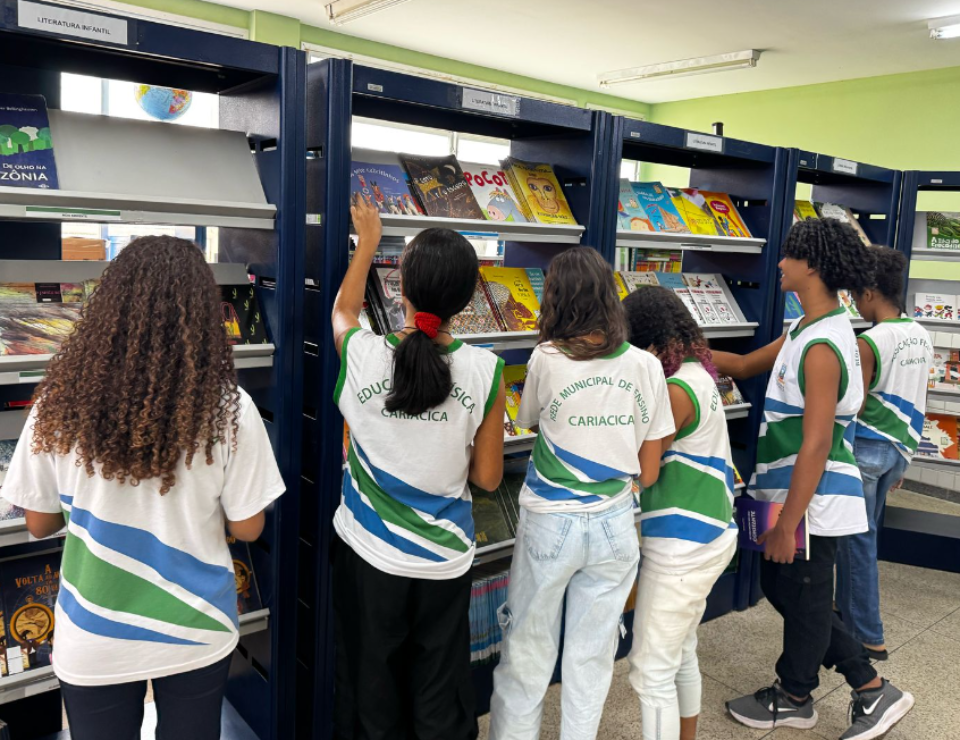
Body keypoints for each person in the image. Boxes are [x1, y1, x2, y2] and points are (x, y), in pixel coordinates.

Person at [2, 236, 286, 740]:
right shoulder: (230, 408)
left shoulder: (59, 406)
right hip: (196, 626)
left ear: (109, 308)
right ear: (201, 314)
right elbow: (247, 526)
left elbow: (41, 523)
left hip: (93, 632)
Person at [718, 219, 914, 740]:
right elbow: (739, 365)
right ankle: (847, 686)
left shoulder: (825, 345)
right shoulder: (805, 329)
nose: (779, 264)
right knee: (783, 588)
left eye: (788, 256)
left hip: (813, 499)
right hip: (783, 490)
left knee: (802, 592)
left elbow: (817, 443)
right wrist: (679, 350)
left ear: (812, 267)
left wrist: (788, 524)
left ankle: (823, 692)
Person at [331, 199, 506, 740]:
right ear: (469, 298)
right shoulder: (486, 370)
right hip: (444, 561)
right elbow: (488, 479)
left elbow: (342, 312)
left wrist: (366, 242)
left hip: (368, 554)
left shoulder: (364, 355)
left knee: (371, 684)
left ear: (399, 288)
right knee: (438, 690)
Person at [489, 247, 675, 740]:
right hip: (616, 522)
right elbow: (650, 465)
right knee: (591, 661)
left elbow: (527, 419)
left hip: (551, 519)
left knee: (527, 654)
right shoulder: (645, 366)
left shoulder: (547, 358)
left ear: (556, 298)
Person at [622, 286, 738, 740]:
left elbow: (642, 468)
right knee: (680, 651)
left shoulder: (673, 391)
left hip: (682, 544)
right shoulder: (698, 373)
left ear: (651, 345)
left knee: (650, 670)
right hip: (707, 531)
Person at [836, 246, 932, 659]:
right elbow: (917, 394)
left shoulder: (869, 342)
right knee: (865, 538)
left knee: (856, 543)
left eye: (857, 296)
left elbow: (855, 404)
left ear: (871, 294)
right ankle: (850, 612)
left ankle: (868, 633)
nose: (856, 304)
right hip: (898, 452)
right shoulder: (919, 333)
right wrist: (904, 458)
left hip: (866, 452)